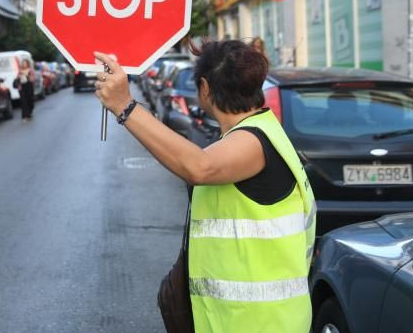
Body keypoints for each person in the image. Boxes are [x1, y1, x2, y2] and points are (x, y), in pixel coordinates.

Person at [94, 40, 316, 333]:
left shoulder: (253, 141)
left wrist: (125, 106)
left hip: (261, 323)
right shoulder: (259, 132)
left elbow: (198, 167)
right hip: (242, 320)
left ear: (205, 88)